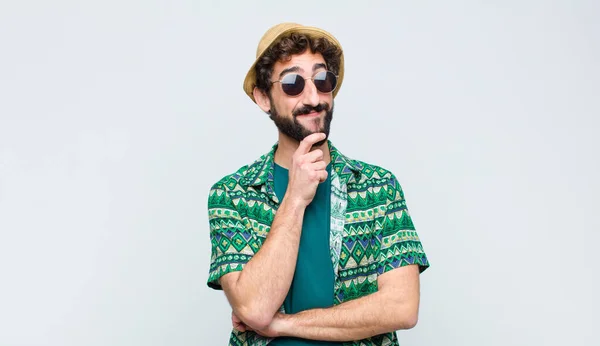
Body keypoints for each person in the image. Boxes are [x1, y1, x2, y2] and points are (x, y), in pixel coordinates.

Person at [206, 22, 430, 346]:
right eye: (293, 82)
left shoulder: (378, 189)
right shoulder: (232, 196)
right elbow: (255, 309)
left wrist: (284, 325)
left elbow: (402, 307)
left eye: (323, 80)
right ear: (263, 97)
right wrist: (295, 199)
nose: (313, 97)